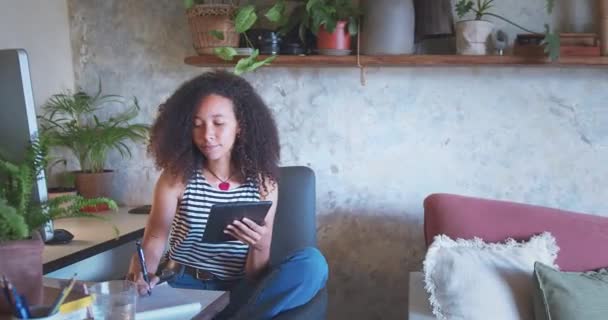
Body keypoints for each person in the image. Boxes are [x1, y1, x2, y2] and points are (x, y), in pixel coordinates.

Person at [127, 70, 328, 319]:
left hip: (239, 290)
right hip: (183, 283)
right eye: (197, 124)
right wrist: (143, 273)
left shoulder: (264, 183)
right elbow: (155, 237)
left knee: (312, 264)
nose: (207, 134)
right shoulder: (176, 176)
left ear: (240, 126)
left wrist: (261, 244)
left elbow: (255, 275)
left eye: (218, 123)